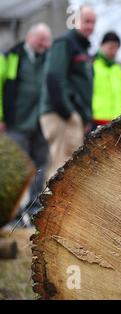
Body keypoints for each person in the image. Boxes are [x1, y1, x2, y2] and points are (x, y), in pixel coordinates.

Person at [0, 23, 52, 223]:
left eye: (46, 40)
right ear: (30, 37)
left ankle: (34, 208)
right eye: (40, 39)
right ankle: (13, 215)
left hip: (40, 123)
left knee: (40, 166)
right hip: (16, 122)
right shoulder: (12, 56)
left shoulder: (47, 59)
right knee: (17, 169)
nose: (43, 44)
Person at [39, 5, 96, 179]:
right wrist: (69, 113)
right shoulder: (65, 43)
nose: (90, 26)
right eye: (86, 21)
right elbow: (54, 78)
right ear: (75, 21)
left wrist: (84, 117)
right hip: (61, 115)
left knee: (69, 168)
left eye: (93, 22)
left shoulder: (83, 49)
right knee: (61, 167)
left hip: (74, 116)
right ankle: (52, 207)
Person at [92, 31, 121, 128]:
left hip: (119, 123)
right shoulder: (91, 66)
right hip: (95, 121)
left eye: (116, 48)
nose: (114, 51)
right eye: (111, 47)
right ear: (102, 45)